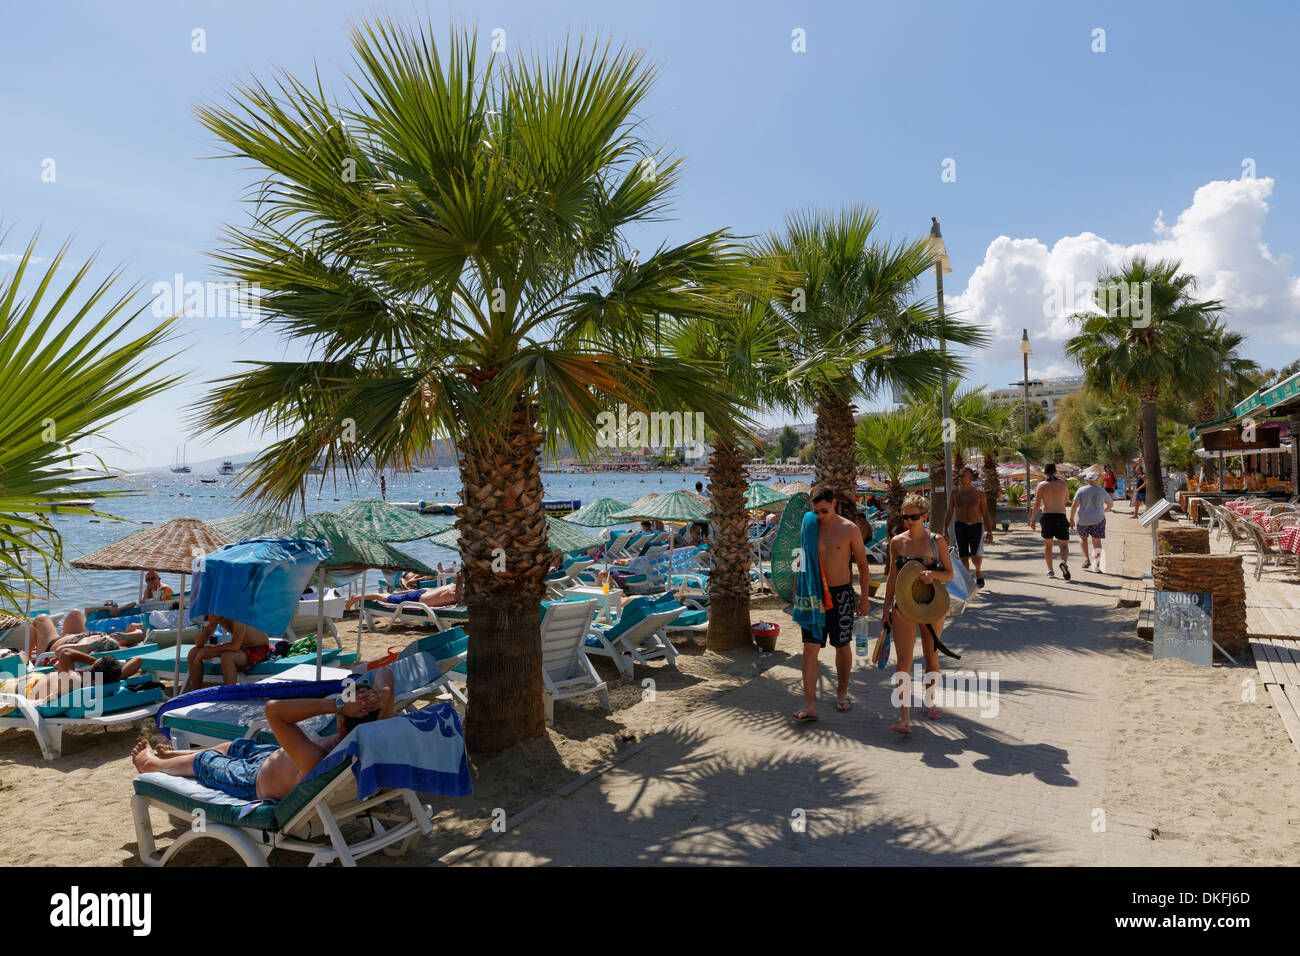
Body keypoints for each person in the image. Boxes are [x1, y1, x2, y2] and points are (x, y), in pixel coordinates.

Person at [131, 670, 395, 801]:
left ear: (340, 720)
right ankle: (181, 753)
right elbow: (387, 674)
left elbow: (274, 710)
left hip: (251, 781)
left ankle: (151, 763)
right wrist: (382, 695)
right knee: (239, 745)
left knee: (206, 761)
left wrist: (337, 703)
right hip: (272, 759)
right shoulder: (380, 731)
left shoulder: (318, 758)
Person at [793, 486, 871, 722]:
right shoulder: (809, 526)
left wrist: (865, 597)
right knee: (809, 649)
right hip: (812, 594)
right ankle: (810, 704)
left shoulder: (850, 529)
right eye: (815, 511)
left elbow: (863, 565)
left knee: (842, 644)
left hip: (841, 595)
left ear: (834, 503)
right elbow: (801, 559)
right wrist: (797, 593)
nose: (819, 516)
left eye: (824, 511)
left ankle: (842, 693)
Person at [880, 493, 955, 734]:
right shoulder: (897, 542)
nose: (909, 521)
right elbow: (892, 576)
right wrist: (885, 608)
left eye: (914, 517)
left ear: (924, 516)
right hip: (903, 605)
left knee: (931, 657)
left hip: (932, 605)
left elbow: (949, 574)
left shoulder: (937, 541)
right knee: (903, 660)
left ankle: (930, 701)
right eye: (905, 516)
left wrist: (933, 575)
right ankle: (904, 717)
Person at [0, 647, 143, 715]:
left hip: (21, 689)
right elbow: (138, 661)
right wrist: (112, 672)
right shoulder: (106, 681)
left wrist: (94, 661)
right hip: (33, 681)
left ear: (95, 665)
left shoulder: (73, 678)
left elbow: (65, 652)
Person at [186, 614, 274, 688]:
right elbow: (198, 643)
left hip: (258, 648)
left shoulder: (237, 614)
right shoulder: (215, 616)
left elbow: (235, 646)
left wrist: (209, 650)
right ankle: (195, 693)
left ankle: (229, 693)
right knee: (193, 653)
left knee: (227, 657)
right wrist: (204, 624)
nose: (210, 613)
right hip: (240, 648)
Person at [942, 466, 993, 588]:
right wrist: (945, 530)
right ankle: (967, 581)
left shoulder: (979, 494)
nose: (959, 478)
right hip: (960, 526)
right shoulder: (955, 493)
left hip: (975, 526)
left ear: (970, 478)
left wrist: (989, 531)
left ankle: (978, 572)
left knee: (975, 556)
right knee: (963, 556)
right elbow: (949, 512)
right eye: (959, 476)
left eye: (962, 475)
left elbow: (985, 513)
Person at [29, 610, 148, 658]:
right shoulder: (112, 644)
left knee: (41, 618)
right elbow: (142, 634)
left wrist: (90, 646)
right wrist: (123, 636)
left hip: (53, 644)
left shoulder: (90, 651)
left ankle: (28, 661)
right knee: (75, 613)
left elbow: (60, 651)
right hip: (79, 635)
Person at [1030, 463, 1072, 579]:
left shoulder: (1042, 485)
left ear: (1044, 473)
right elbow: (1067, 499)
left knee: (1048, 545)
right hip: (1060, 515)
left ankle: (1050, 570)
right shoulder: (1063, 483)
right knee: (1063, 545)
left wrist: (1033, 519)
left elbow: (1037, 504)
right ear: (1055, 471)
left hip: (1047, 516)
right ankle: (1063, 562)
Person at [345, 574, 463, 614]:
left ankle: (397, 592)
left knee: (395, 595)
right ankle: (356, 598)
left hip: (425, 592)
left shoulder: (453, 586)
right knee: (381, 597)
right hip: (419, 598)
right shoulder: (455, 595)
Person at [1070, 473, 1114, 572]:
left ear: (1087, 480)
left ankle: (1086, 559)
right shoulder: (1102, 491)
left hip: (1082, 519)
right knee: (1097, 542)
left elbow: (1074, 505)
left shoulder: (1081, 490)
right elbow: (1110, 504)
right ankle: (1097, 566)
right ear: (1097, 480)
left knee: (1082, 538)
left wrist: (1071, 518)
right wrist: (1103, 511)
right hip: (1098, 519)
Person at [84, 570, 174, 618]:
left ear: (159, 579)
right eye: (147, 579)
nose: (150, 581)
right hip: (155, 612)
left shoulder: (164, 588)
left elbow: (154, 604)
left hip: (167, 612)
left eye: (153, 578)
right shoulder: (148, 590)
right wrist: (148, 589)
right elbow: (145, 604)